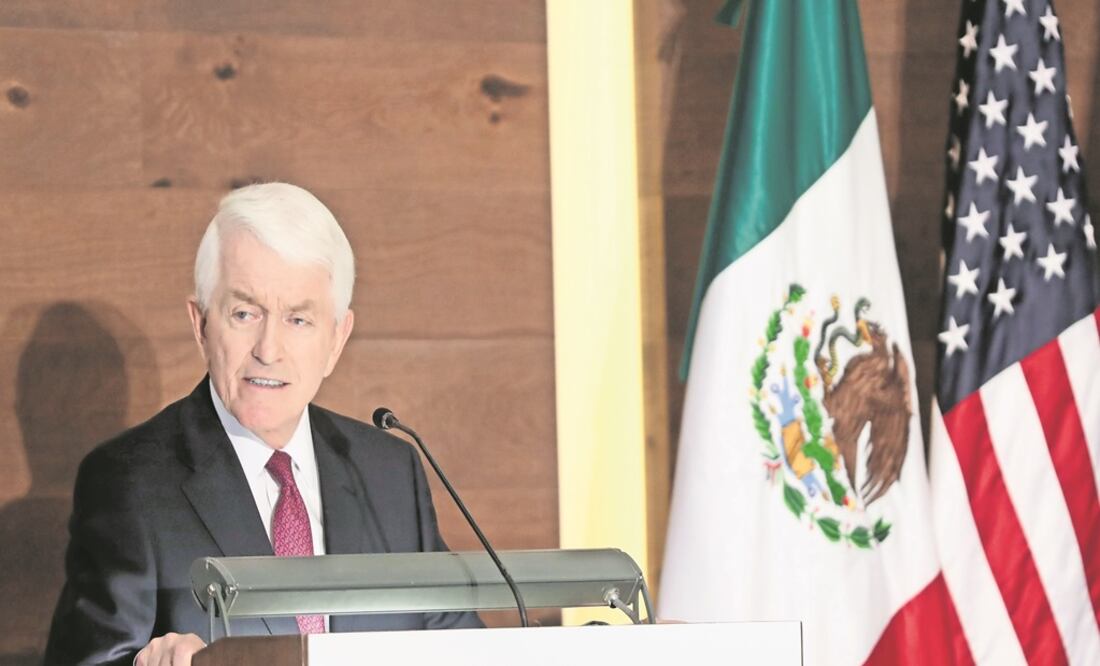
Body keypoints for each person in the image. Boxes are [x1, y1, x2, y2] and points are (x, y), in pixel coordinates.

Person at [44, 183, 482, 666]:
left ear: (337, 340)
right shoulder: (129, 482)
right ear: (201, 324)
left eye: (298, 320)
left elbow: (464, 649)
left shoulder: (389, 472)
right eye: (245, 313)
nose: (268, 350)